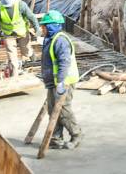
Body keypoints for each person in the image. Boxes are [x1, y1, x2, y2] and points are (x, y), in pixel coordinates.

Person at [39, 10, 82, 150]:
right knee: (52, 109)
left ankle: (76, 135)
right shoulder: (50, 39)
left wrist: (61, 83)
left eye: (44, 26)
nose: (42, 28)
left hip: (65, 81)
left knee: (63, 110)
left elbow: (64, 63)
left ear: (52, 26)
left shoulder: (60, 41)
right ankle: (56, 138)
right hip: (53, 82)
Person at [0, 0, 40, 77]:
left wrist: (37, 30)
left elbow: (32, 17)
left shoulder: (21, 5)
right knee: (12, 59)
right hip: (8, 35)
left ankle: (31, 54)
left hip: (22, 33)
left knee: (26, 52)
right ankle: (14, 77)